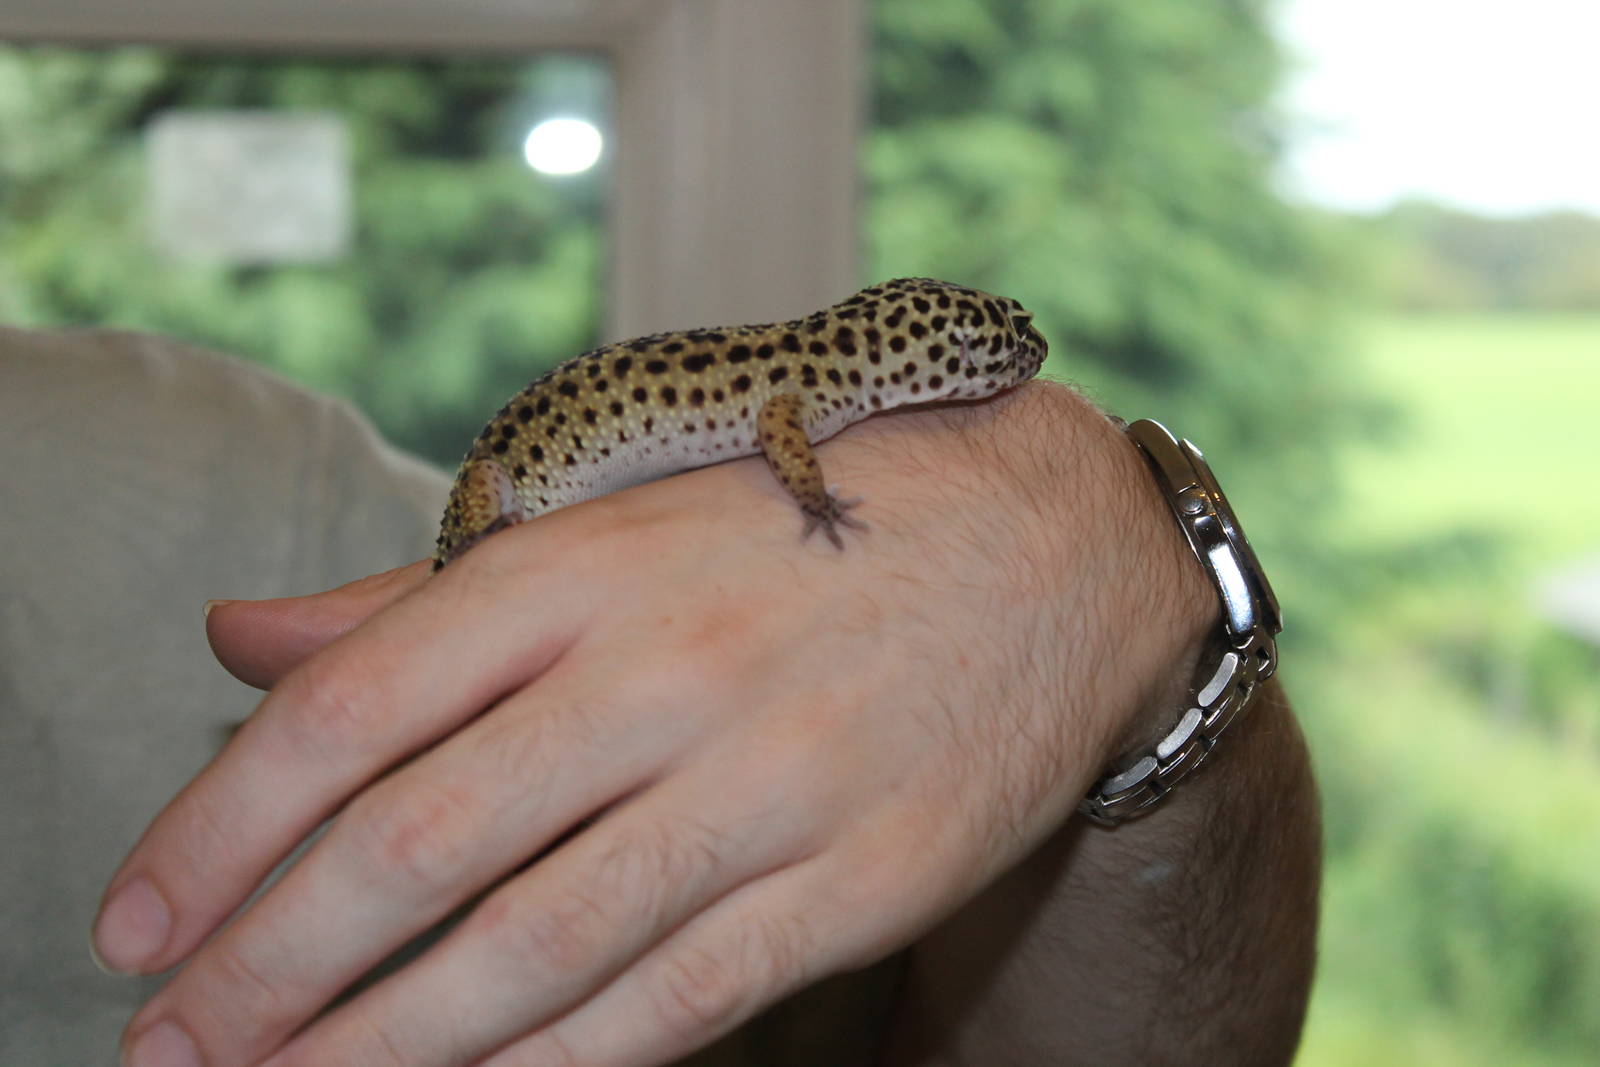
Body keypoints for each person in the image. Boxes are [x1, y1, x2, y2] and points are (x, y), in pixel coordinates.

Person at [3, 325, 1318, 1066]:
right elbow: (775, 453)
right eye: (982, 351)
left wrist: (1102, 568)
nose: (1007, 361)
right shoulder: (796, 406)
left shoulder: (231, 471)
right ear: (916, 355)